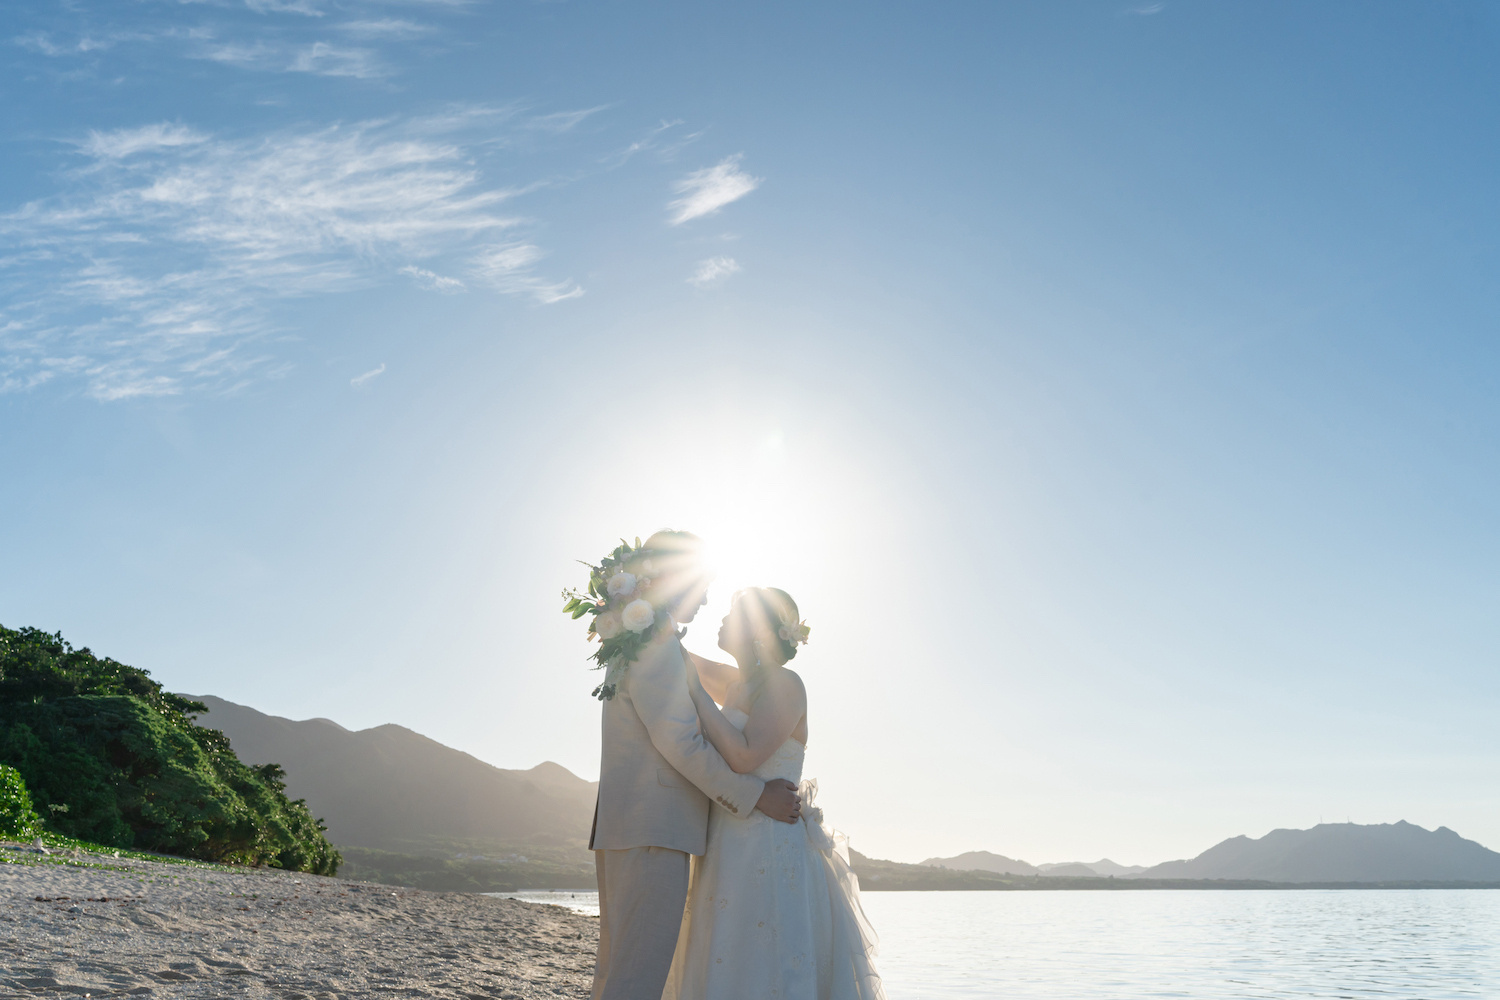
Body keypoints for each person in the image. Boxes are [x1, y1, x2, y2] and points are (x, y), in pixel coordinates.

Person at [589, 532, 803, 1000]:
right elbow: (680, 742)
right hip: (653, 830)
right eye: (702, 585)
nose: (707, 600)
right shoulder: (654, 645)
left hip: (641, 828)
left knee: (619, 972)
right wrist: (753, 796)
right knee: (635, 979)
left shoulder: (649, 641)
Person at [665, 586, 886, 1000]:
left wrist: (697, 695)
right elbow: (681, 661)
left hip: (769, 844)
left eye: (734, 614)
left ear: (758, 632)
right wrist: (637, 612)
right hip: (726, 844)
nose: (723, 619)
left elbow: (745, 756)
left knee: (768, 961)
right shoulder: (736, 683)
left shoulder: (785, 684)